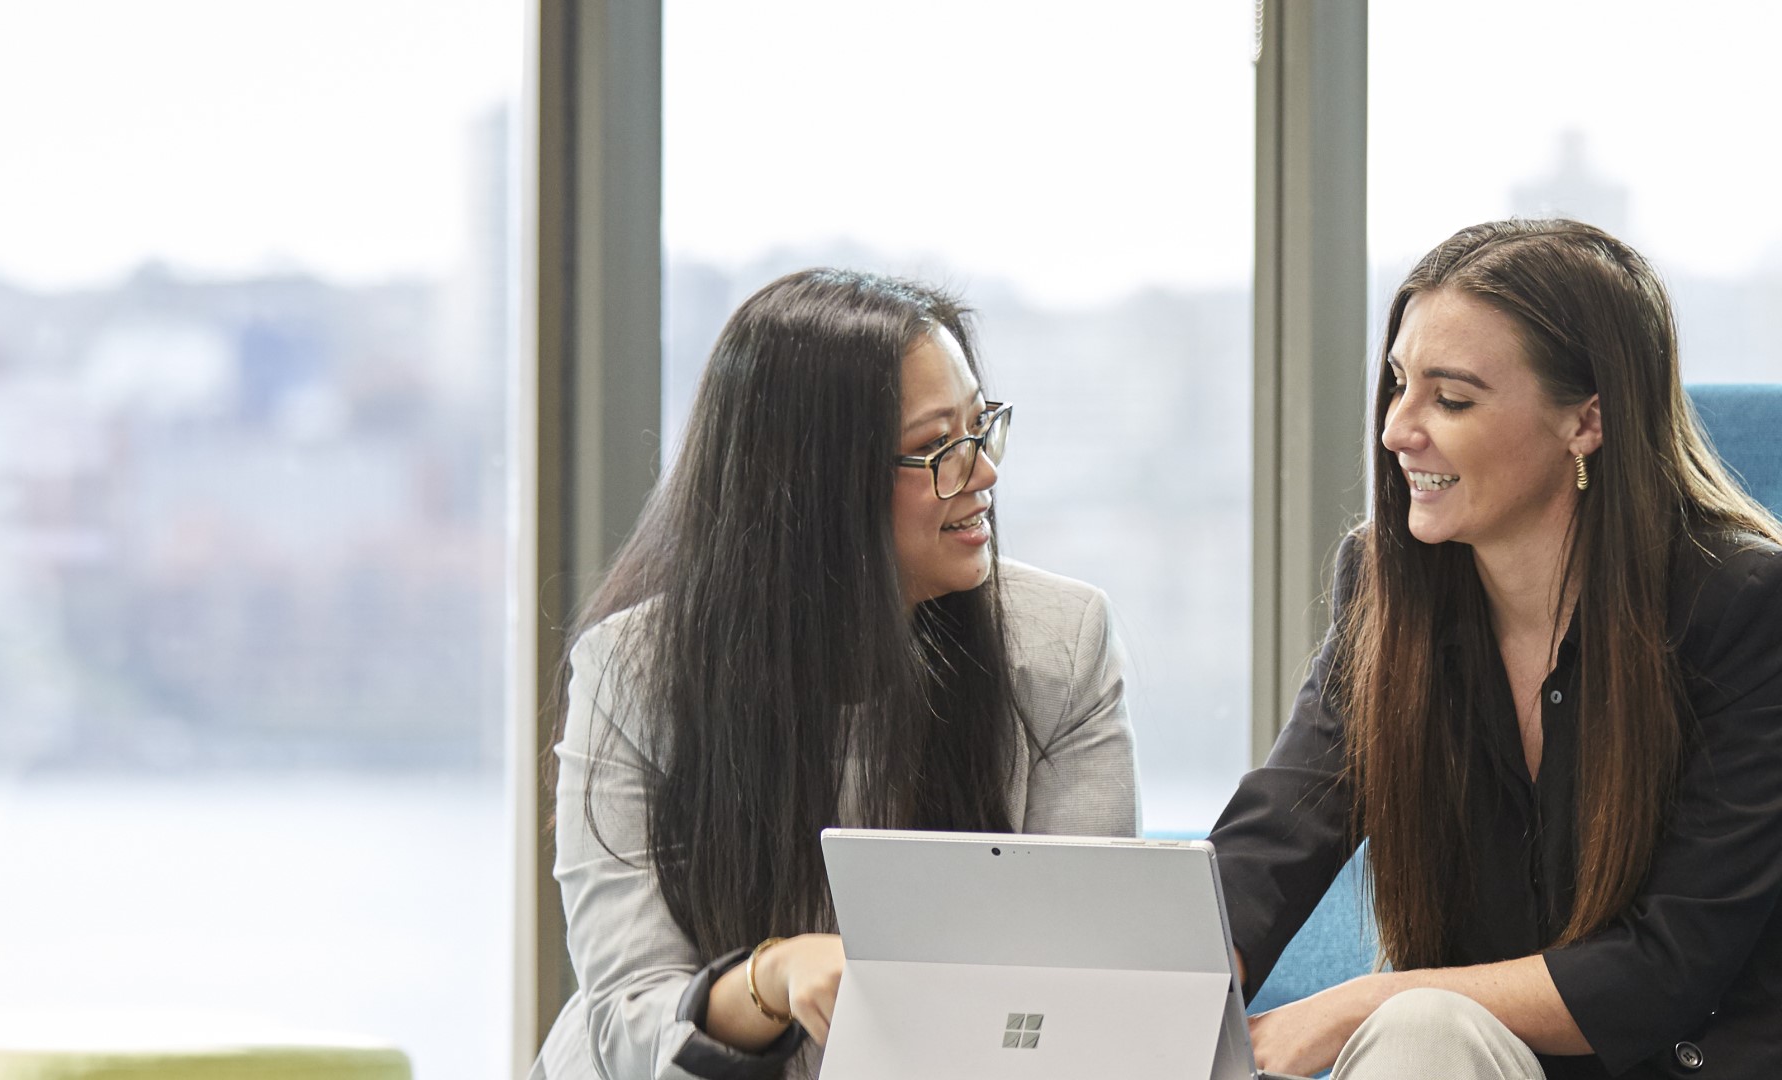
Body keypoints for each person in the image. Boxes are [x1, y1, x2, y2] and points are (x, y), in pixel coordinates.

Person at [528, 268, 1137, 1080]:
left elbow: (1079, 980)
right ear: (813, 485)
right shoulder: (631, 675)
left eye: (980, 427)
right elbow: (627, 1019)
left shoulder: (1061, 646)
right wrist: (771, 979)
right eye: (935, 449)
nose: (983, 473)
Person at [1210, 218, 1782, 1080]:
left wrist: (1360, 1003)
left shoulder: (1742, 606)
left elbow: (1667, 967)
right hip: (1474, 1063)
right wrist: (1154, 993)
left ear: (1586, 420)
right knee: (1423, 1034)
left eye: (1452, 399)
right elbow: (1275, 843)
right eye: (1399, 385)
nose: (1398, 429)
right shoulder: (1386, 584)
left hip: (1681, 1062)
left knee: (1418, 1026)